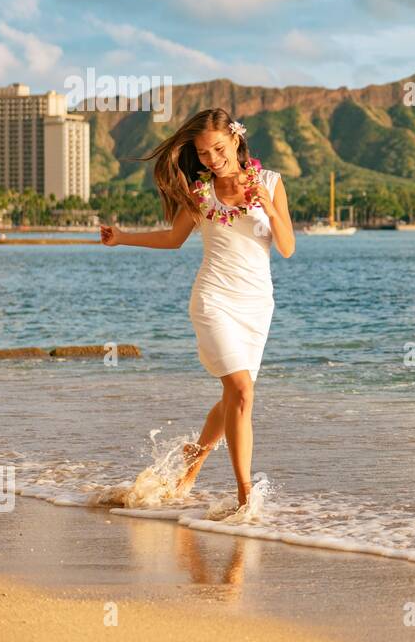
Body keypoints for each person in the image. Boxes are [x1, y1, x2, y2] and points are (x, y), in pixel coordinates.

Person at [99, 107, 295, 508]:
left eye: (218, 149)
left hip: (256, 304)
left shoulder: (271, 182)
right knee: (240, 391)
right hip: (214, 299)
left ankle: (196, 455)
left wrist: (269, 208)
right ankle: (245, 497)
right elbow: (173, 239)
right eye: (203, 153)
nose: (212, 159)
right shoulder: (200, 191)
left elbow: (288, 248)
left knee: (234, 396)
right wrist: (122, 238)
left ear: (236, 139)